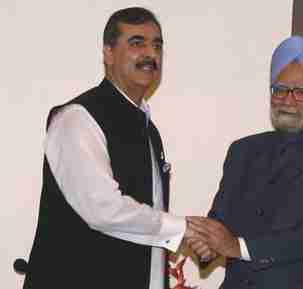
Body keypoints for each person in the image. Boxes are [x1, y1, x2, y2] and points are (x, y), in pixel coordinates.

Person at [23, 7, 193, 289]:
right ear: (108, 53)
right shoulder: (78, 118)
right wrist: (184, 230)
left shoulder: (149, 130)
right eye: (137, 43)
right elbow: (103, 209)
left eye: (157, 45)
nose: (150, 54)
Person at [186, 36, 303, 289]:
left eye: (302, 92)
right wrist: (206, 244)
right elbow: (220, 220)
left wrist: (237, 247)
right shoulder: (242, 150)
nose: (287, 100)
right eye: (280, 89)